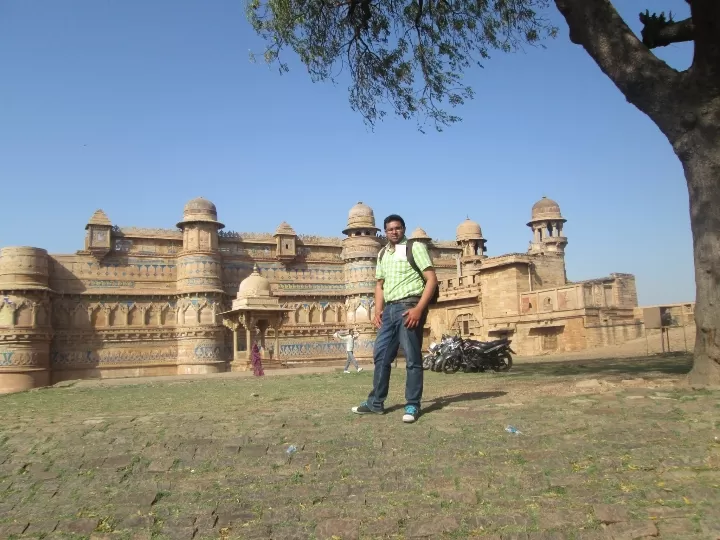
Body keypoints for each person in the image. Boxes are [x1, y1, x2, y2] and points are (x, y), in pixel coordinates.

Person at [351, 214, 438, 423]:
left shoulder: (414, 248)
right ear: (384, 232)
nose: (394, 232)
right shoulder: (382, 254)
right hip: (389, 311)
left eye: (398, 228)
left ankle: (412, 404)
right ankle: (376, 402)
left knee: (412, 357)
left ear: (403, 229)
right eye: (390, 229)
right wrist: (377, 311)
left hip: (409, 306)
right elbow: (380, 285)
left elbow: (431, 279)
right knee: (381, 355)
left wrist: (418, 308)